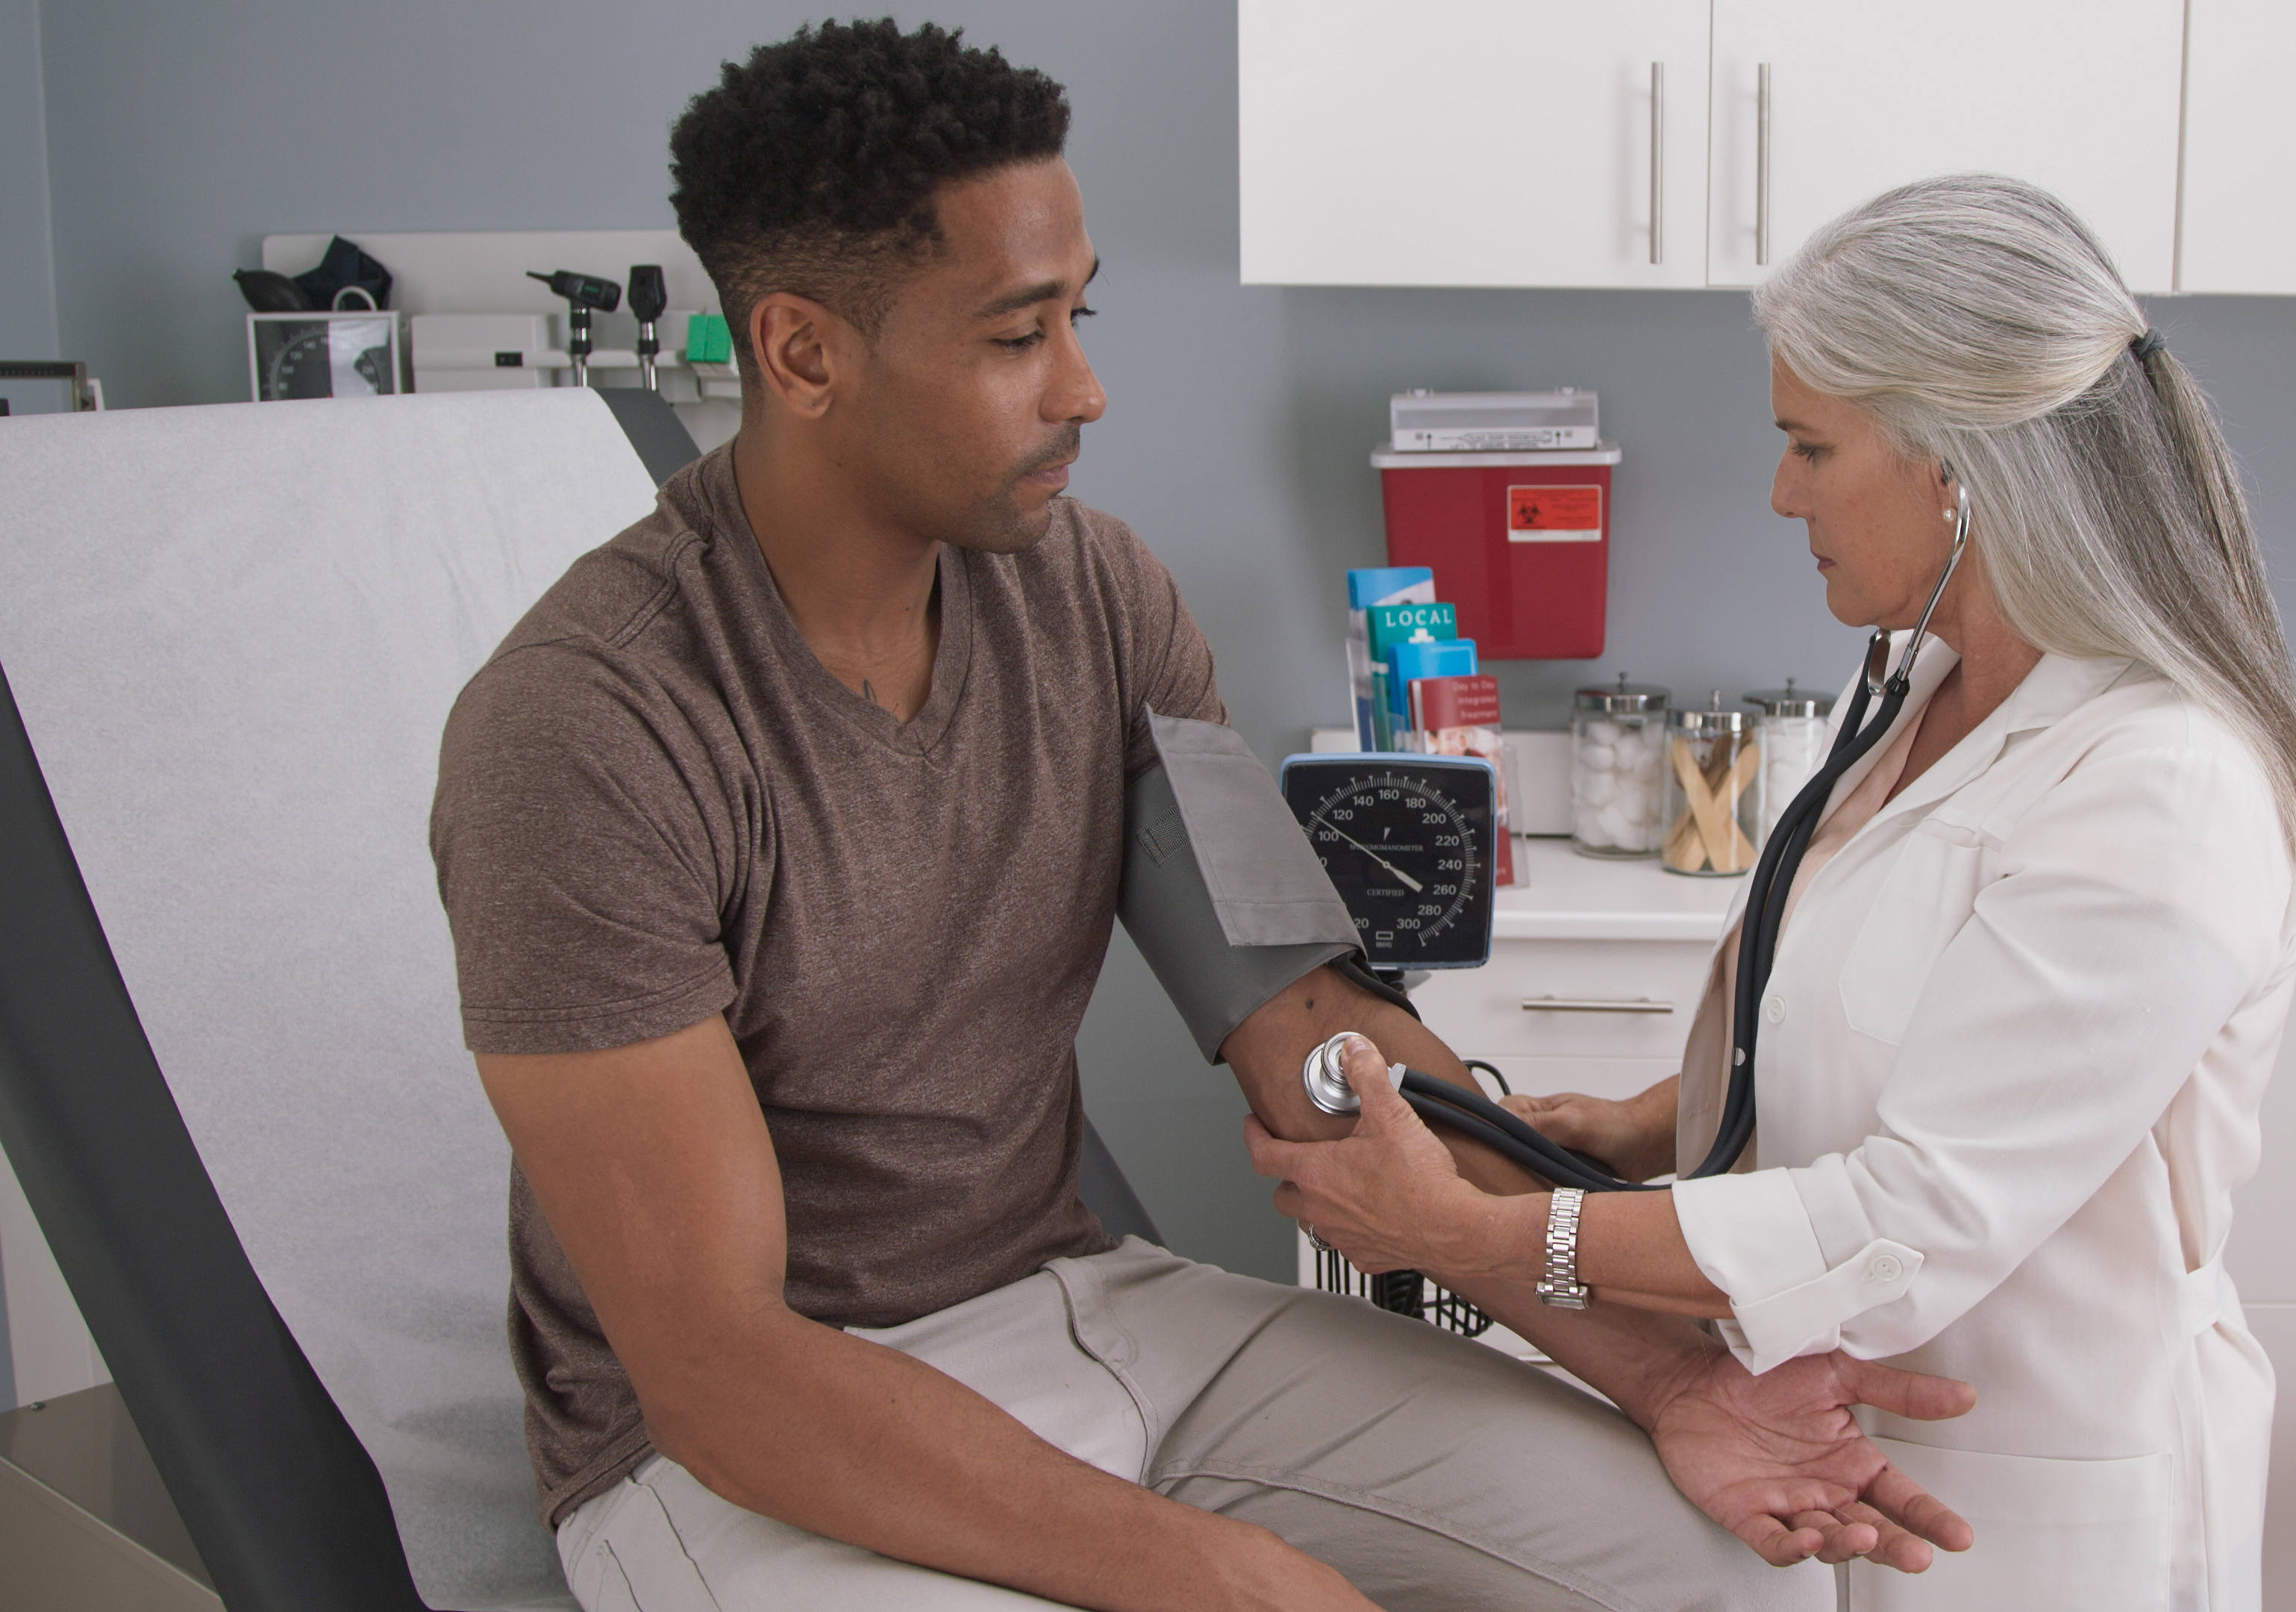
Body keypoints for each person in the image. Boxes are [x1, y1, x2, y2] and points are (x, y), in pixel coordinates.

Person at [428, 22, 1971, 1612]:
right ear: (805, 353)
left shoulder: (1091, 598)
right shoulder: (588, 731)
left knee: (1717, 1564)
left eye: (1075, 315)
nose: (1086, 387)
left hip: (1075, 1299)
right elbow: (717, 1367)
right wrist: (1226, 1578)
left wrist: (1665, 1382)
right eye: (1016, 336)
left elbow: (1307, 1030)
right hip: (755, 1445)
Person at [1248, 173, 2296, 1612]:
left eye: (1809, 445)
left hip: (2038, 1502)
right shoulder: (1919, 689)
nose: (1782, 492)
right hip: (1827, 1443)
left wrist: (1472, 1237)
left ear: (1960, 469)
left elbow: (1913, 1222)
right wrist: (1654, 1121)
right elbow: (1872, 1007)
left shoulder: (2165, 788)